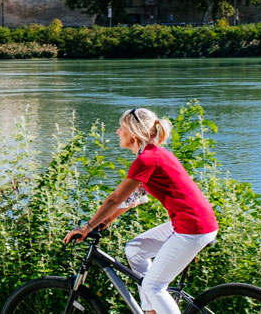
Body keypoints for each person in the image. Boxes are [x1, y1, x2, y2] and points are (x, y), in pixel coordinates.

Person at [63, 108, 218, 314]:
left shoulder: (146, 159)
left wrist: (88, 226)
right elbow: (134, 198)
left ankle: (156, 300)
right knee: (135, 250)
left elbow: (115, 199)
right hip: (189, 223)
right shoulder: (152, 156)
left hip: (192, 228)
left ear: (133, 133)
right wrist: (106, 220)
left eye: (121, 127)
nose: (117, 131)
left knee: (154, 286)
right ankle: (151, 311)